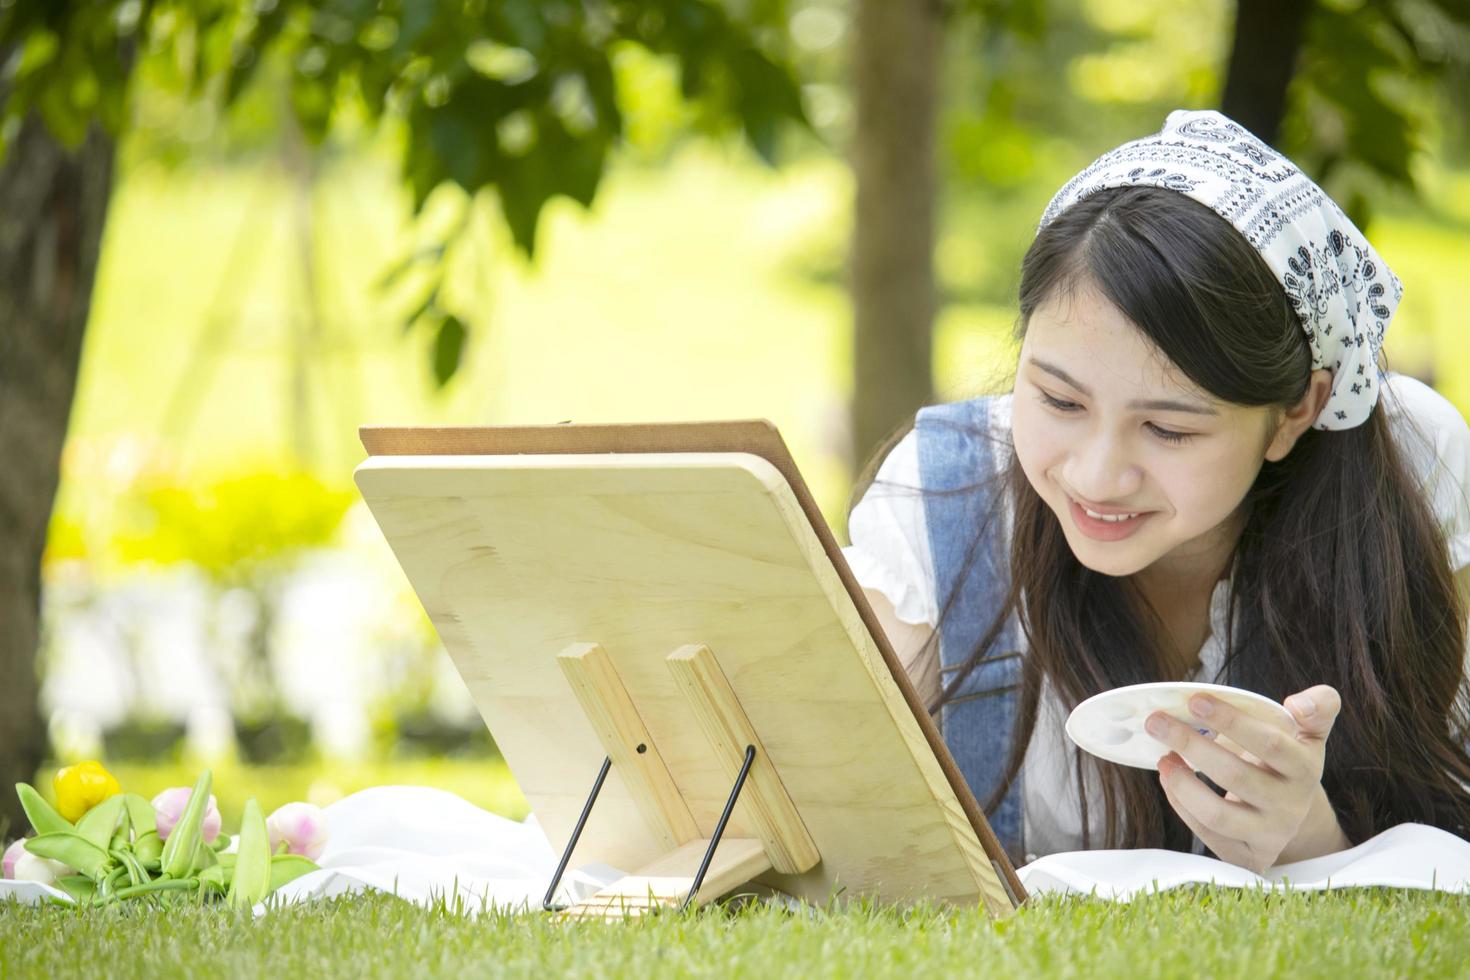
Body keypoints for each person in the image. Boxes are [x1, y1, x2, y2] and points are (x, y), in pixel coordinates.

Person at [842, 109, 1470, 873]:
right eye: (1059, 401)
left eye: (1169, 430)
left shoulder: (1410, 465)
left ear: (1295, 411)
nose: (1098, 475)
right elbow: (839, 816)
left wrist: (1312, 843)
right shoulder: (946, 494)